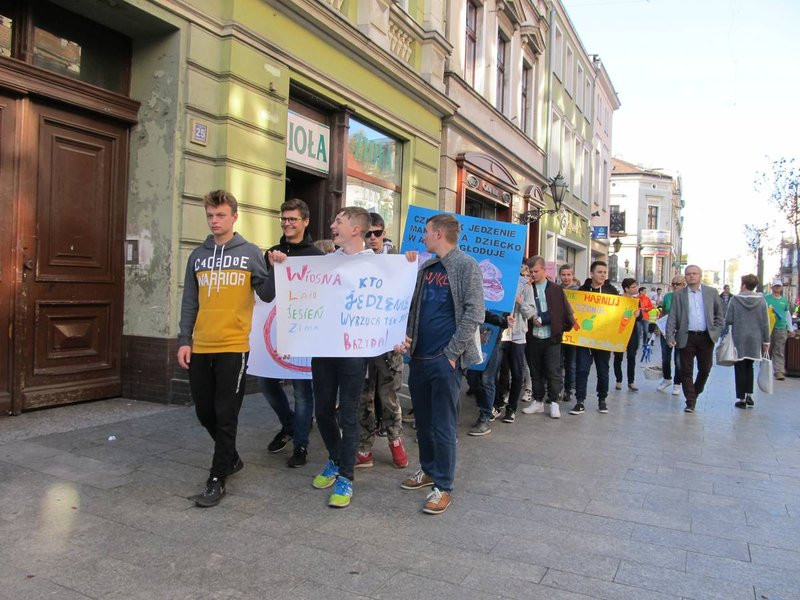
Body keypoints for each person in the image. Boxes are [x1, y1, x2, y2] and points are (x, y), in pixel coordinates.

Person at [268, 206, 375, 508]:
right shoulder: (325, 262)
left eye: (338, 222)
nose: (332, 226)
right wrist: (280, 263)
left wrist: (407, 265)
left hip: (353, 352)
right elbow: (299, 285)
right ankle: (335, 457)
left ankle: (346, 477)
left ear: (356, 229)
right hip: (324, 347)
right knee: (324, 411)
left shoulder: (376, 264)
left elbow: (390, 298)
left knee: (349, 412)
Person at [177, 190, 272, 507]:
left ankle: (217, 478)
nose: (214, 221)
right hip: (201, 345)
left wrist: (273, 267)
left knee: (226, 414)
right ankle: (230, 456)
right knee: (204, 411)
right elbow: (190, 301)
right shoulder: (197, 256)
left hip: (234, 346)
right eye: (210, 215)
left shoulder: (250, 253)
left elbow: (268, 295)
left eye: (220, 215)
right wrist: (184, 340)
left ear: (234, 216)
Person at [396, 213, 484, 515]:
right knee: (422, 421)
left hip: (445, 360)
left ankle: (443, 486)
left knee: (443, 424)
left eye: (426, 232)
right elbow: (413, 307)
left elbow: (475, 313)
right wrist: (407, 336)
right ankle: (429, 469)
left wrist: (452, 353)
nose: (423, 237)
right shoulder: (427, 266)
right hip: (419, 357)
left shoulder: (465, 265)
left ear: (439, 234)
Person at [258, 199, 323, 468]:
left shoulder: (317, 256)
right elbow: (265, 294)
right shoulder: (271, 252)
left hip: (302, 332)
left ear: (305, 221)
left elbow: (321, 297)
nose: (287, 223)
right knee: (266, 383)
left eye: (292, 219)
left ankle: (301, 446)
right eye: (284, 219)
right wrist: (274, 268)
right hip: (273, 330)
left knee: (301, 391)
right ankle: (291, 425)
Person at [355, 213, 408, 469]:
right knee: (364, 398)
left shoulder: (398, 261)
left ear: (384, 232)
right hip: (362, 343)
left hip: (389, 345)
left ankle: (395, 442)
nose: (373, 238)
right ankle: (364, 448)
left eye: (377, 233)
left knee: (389, 397)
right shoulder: (355, 261)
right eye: (368, 234)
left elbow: (405, 299)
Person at [665, 265, 725, 413]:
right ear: (685, 277)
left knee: (705, 368)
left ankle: (696, 391)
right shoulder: (679, 295)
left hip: (706, 336)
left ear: (700, 276)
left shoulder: (711, 292)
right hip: (686, 336)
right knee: (686, 370)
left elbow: (719, 314)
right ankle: (690, 401)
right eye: (688, 274)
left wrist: (716, 332)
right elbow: (672, 316)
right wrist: (670, 335)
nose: (691, 276)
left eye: (694, 273)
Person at [522, 256, 574, 418]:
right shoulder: (527, 288)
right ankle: (538, 401)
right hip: (532, 336)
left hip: (552, 337)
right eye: (530, 272)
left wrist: (545, 320)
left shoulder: (555, 289)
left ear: (544, 270)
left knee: (553, 371)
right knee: (535, 371)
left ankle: (554, 402)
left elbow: (562, 312)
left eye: (536, 271)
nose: (533, 275)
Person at [570, 261, 618, 415]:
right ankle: (580, 401)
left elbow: (621, 312)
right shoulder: (582, 291)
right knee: (582, 369)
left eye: (605, 272)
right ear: (592, 274)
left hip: (603, 339)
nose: (603, 275)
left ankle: (602, 400)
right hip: (584, 339)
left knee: (603, 370)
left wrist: (634, 315)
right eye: (600, 272)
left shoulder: (612, 291)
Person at [725, 274, 770, 409]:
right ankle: (750, 394)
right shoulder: (762, 301)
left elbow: (729, 319)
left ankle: (741, 398)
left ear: (744, 285)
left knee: (739, 367)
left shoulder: (735, 299)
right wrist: (766, 340)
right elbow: (765, 322)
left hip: (739, 337)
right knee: (749, 366)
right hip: (755, 339)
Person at [466, 310, 512, 436]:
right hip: (474, 336)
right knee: (471, 377)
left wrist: (503, 321)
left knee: (487, 379)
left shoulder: (506, 295)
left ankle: (485, 417)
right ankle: (486, 406)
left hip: (493, 340)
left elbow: (505, 318)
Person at [500, 269, 536, 423]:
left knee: (517, 372)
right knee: (498, 372)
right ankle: (498, 402)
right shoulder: (499, 277)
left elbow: (530, 313)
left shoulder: (525, 285)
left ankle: (511, 409)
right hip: (499, 331)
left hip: (517, 335)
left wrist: (521, 303)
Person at [656, 276, 685, 395]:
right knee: (665, 356)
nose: (675, 286)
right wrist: (658, 326)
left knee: (678, 359)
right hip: (666, 329)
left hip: (680, 330)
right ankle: (667, 378)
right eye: (673, 284)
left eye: (678, 284)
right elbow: (663, 312)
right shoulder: (668, 296)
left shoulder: (686, 297)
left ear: (684, 285)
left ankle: (677, 383)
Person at [614, 278, 642, 391]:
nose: (636, 289)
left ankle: (631, 381)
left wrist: (638, 314)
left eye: (636, 286)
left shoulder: (636, 301)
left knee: (631, 356)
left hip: (632, 331)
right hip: (620, 330)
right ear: (626, 288)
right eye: (633, 287)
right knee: (618, 356)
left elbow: (640, 318)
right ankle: (618, 380)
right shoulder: (618, 300)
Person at [558, 263, 580, 405]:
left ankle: (568, 390)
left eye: (568, 275)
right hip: (558, 332)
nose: (566, 277)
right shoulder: (556, 289)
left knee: (570, 364)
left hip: (573, 333)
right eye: (563, 274)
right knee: (557, 364)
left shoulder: (579, 292)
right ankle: (557, 390)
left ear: (572, 276)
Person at [765, 280, 793, 381]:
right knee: (767, 350)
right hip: (768, 328)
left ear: (781, 288)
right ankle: (765, 370)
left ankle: (778, 371)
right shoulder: (766, 299)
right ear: (772, 287)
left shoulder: (784, 300)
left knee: (779, 350)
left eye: (779, 286)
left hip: (781, 328)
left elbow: (787, 314)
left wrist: (790, 328)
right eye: (775, 286)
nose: (777, 288)